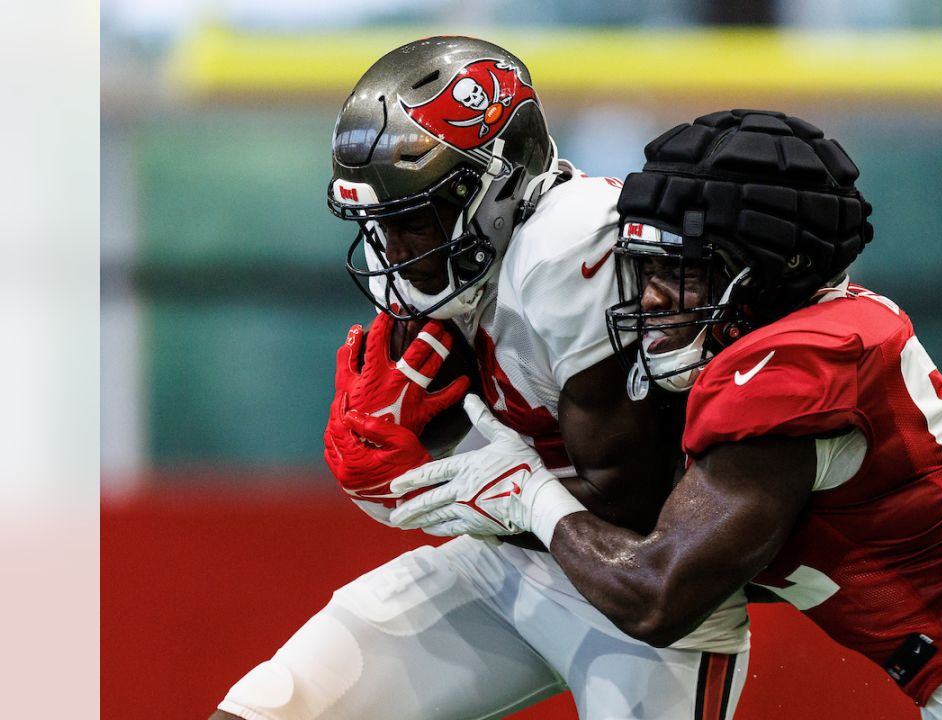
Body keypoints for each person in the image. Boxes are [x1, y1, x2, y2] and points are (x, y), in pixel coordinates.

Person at [388, 109, 942, 719]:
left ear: (772, 274)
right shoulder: (805, 340)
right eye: (647, 268)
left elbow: (660, 596)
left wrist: (526, 491)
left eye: (686, 273)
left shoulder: (798, 365)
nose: (652, 299)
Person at [212, 39, 750, 720]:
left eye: (411, 218)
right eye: (381, 222)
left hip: (636, 588)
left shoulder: (566, 246)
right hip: (513, 563)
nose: (397, 251)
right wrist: (407, 463)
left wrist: (477, 492)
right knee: (271, 707)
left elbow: (632, 500)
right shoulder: (458, 264)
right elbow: (493, 463)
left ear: (497, 184)